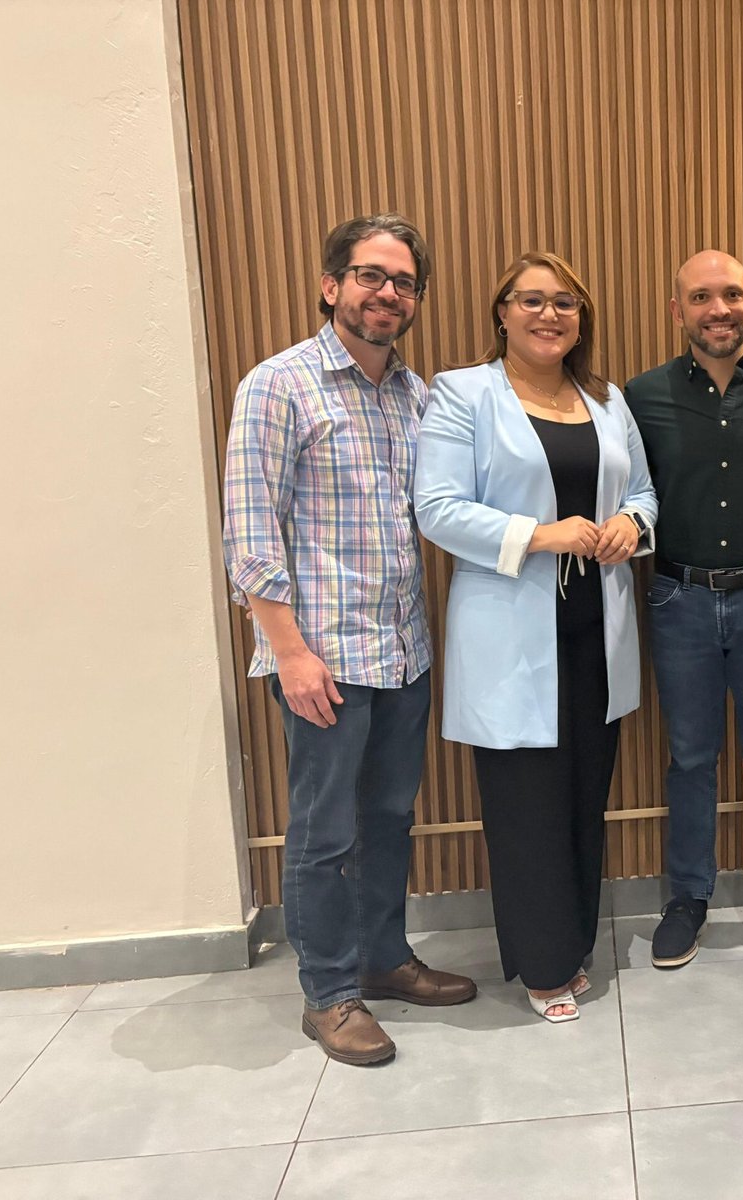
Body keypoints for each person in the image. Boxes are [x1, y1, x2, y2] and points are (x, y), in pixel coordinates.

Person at [221, 213, 477, 1067]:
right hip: (322, 659)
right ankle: (329, 993)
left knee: (390, 820)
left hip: (402, 652)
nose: (387, 293)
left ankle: (383, 957)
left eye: (403, 282)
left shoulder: (416, 395)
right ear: (332, 285)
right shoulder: (278, 385)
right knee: (323, 834)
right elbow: (250, 534)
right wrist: (289, 653)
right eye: (371, 275)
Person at [414, 251, 657, 1024]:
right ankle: (543, 965)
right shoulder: (464, 393)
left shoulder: (606, 399)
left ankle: (573, 946)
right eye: (531, 300)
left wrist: (631, 523)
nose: (549, 315)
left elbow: (644, 491)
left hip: (594, 633)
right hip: (512, 637)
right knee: (527, 808)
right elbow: (437, 507)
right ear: (502, 312)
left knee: (584, 797)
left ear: (581, 318)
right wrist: (539, 534)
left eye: (565, 303)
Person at [624, 251, 743, 970]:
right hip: (679, 599)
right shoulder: (641, 396)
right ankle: (688, 898)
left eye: (731, 294)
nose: (719, 309)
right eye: (701, 297)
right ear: (679, 311)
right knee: (690, 758)